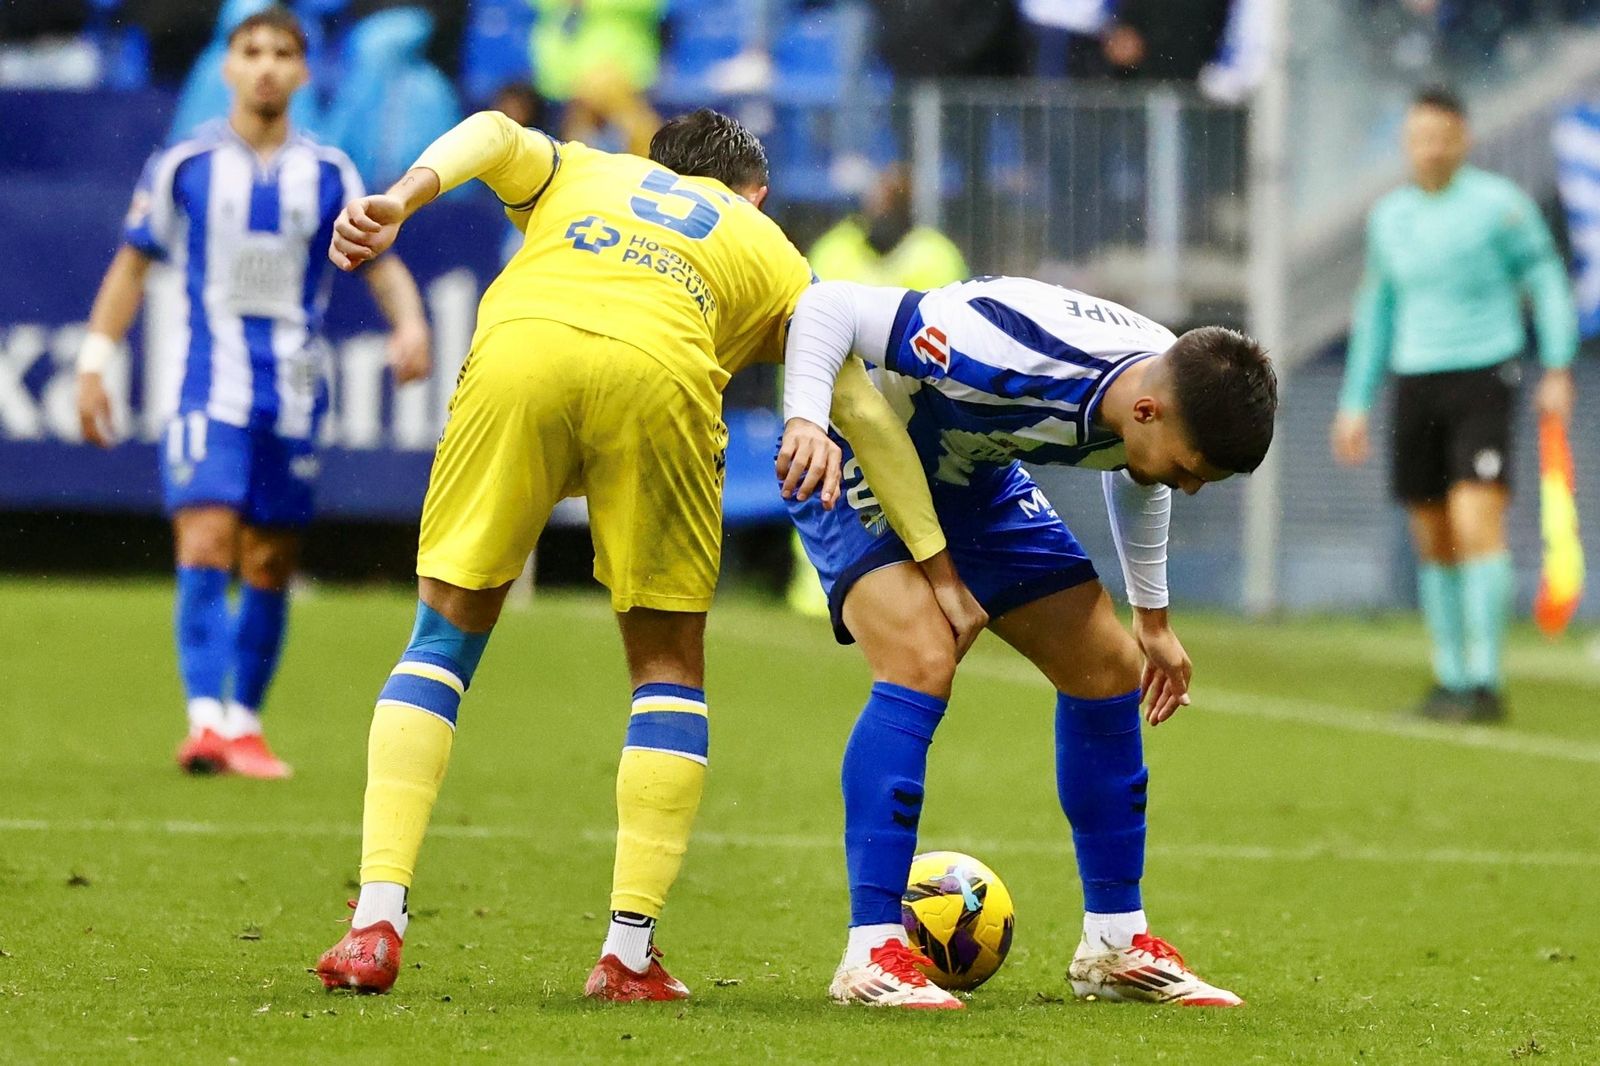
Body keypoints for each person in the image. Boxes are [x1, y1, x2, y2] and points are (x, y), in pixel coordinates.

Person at [311, 107, 983, 1000]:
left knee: (441, 639)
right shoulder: (775, 250)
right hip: (659, 377)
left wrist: (400, 199)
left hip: (521, 354)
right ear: (756, 194)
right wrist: (940, 568)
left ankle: (374, 923)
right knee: (666, 668)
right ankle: (627, 954)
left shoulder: (588, 169)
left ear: (651, 163)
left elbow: (493, 132)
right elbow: (859, 412)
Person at [776, 275, 1277, 1009]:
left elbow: (1139, 474)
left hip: (971, 473)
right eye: (1189, 470)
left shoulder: (1163, 388)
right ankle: (870, 952)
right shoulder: (995, 347)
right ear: (1147, 412)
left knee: (1108, 667)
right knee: (922, 658)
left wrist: (1153, 620)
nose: (1191, 487)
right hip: (857, 451)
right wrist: (804, 420)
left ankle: (1114, 945)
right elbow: (831, 306)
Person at [74, 5, 431, 780]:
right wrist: (95, 360)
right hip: (210, 384)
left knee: (269, 559)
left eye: (281, 53)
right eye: (252, 51)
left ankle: (244, 723)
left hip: (295, 388)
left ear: (303, 73)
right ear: (228, 66)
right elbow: (132, 263)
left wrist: (410, 324)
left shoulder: (329, 172)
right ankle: (205, 721)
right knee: (205, 538)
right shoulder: (184, 165)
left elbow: (378, 262)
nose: (266, 65)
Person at [1331, 87, 1578, 723]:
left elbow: (1546, 278)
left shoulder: (1501, 207)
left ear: (1463, 140)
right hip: (1415, 380)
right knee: (1432, 532)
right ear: (1407, 144)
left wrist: (1558, 364)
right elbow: (1377, 308)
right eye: (1420, 139)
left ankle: (1486, 681)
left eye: (1441, 137)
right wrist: (1355, 401)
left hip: (1483, 375)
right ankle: (1451, 677)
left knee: (1476, 521)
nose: (1431, 149)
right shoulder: (1390, 217)